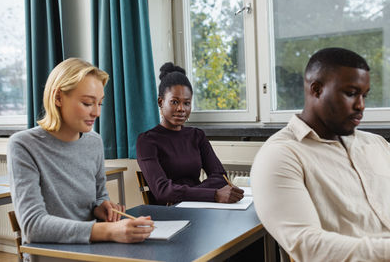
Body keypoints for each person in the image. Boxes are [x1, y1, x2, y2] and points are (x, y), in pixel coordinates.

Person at [251, 47, 390, 261]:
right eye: (351, 94)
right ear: (316, 90)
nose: (361, 105)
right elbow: (307, 246)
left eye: (364, 95)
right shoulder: (280, 156)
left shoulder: (376, 144)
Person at [8, 58, 154, 254]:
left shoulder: (94, 141)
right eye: (87, 103)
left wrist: (101, 206)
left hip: (91, 250)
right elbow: (33, 226)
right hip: (51, 256)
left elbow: (99, 195)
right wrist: (108, 231)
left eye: (100, 103)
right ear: (58, 97)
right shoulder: (23, 145)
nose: (96, 112)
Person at [136, 62, 244, 205]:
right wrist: (213, 194)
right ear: (161, 102)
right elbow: (163, 192)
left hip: (199, 206)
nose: (181, 108)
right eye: (174, 102)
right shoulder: (147, 141)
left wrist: (194, 193)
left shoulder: (197, 136)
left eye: (186, 103)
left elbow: (220, 177)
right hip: (169, 215)